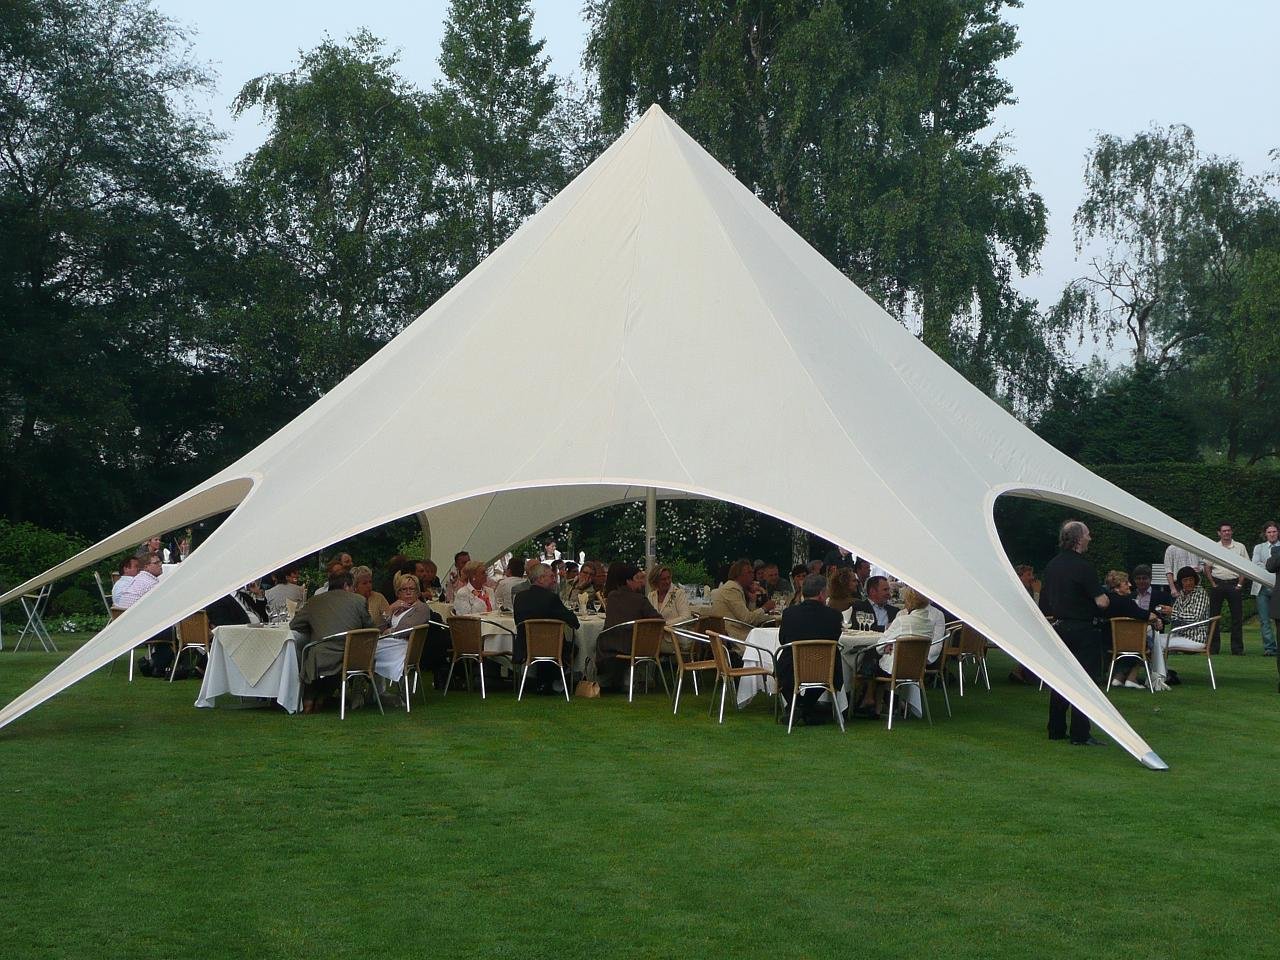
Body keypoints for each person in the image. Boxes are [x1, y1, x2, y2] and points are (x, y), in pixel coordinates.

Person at [1039, 520, 1109, 746]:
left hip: (1059, 628)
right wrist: (1107, 599)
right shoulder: (1083, 567)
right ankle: (1080, 733)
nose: (1090, 538)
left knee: (1061, 679)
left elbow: (1045, 602)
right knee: (1085, 681)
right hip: (1083, 630)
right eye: (1087, 534)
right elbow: (1101, 601)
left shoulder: (1052, 565)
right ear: (1078, 539)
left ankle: (1056, 728)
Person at [290, 571, 375, 713]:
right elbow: (370, 629)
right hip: (352, 656)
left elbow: (294, 625)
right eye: (352, 586)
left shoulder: (314, 601)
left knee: (311, 655)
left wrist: (314, 627)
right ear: (346, 585)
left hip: (320, 654)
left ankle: (309, 699)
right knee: (340, 662)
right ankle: (323, 696)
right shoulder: (359, 600)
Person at [854, 587, 941, 718]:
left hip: (896, 667)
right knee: (876, 661)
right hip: (916, 667)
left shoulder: (902, 620)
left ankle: (866, 699)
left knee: (870, 658)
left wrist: (888, 645)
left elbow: (880, 644)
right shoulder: (928, 623)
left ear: (909, 602)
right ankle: (876, 704)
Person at [775, 573, 845, 724]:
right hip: (825, 668)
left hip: (791, 669)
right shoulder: (834, 616)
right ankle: (805, 707)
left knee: (783, 665)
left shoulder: (789, 613)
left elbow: (783, 639)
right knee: (832, 664)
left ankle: (798, 707)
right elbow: (835, 638)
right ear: (821, 594)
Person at [512, 561, 579, 693]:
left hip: (524, 645)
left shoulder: (519, 597)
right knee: (573, 647)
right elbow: (574, 622)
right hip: (550, 646)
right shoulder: (551, 598)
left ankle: (541, 682)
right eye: (551, 576)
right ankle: (553, 681)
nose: (554, 580)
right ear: (541, 578)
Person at [598, 562, 662, 690]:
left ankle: (602, 678)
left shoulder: (611, 597)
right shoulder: (640, 600)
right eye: (638, 578)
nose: (642, 583)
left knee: (597, 640)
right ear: (628, 581)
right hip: (634, 645)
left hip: (611, 643)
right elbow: (659, 620)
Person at [1102, 569, 1162, 688]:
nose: (1130, 584)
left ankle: (1118, 677)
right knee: (1147, 643)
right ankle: (1132, 678)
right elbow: (1145, 615)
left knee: (1132, 644)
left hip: (1109, 642)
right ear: (1117, 588)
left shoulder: (1107, 601)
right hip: (1128, 643)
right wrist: (1157, 619)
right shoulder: (1127, 603)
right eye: (1126, 583)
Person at [1202, 523, 1248, 655]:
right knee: (1214, 616)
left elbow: (1245, 566)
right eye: (1224, 531)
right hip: (1218, 584)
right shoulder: (1213, 547)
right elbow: (1207, 566)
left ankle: (1237, 649)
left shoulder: (1240, 547)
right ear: (1219, 533)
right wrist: (1213, 583)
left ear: (1231, 532)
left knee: (1237, 617)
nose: (1226, 533)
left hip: (1234, 584)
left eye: (1228, 530)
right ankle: (1213, 647)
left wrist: (1240, 584)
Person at [1157, 567, 1212, 653]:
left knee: (1157, 642)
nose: (1188, 583)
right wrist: (1165, 613)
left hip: (1195, 638)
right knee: (1153, 638)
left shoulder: (1201, 593)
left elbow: (1195, 618)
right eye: (1185, 580)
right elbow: (1175, 618)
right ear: (1181, 582)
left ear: (1195, 580)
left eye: (1191, 579)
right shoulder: (1181, 595)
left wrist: (1172, 612)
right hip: (1179, 635)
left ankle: (1157, 662)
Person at [710, 558, 777, 626]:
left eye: (752, 572)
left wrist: (752, 600)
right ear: (739, 575)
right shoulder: (732, 590)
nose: (752, 575)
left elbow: (751, 618)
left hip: (740, 628)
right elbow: (747, 619)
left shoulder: (737, 588)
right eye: (749, 572)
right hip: (733, 631)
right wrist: (765, 608)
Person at [1251, 522, 1279, 657]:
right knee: (1264, 620)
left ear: (1278, 532)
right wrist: (1271, 566)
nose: (1272, 534)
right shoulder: (1259, 547)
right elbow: (1255, 564)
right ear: (1265, 534)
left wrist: (1267, 565)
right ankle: (1270, 648)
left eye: (1274, 531)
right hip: (1262, 587)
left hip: (1277, 588)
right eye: (1269, 532)